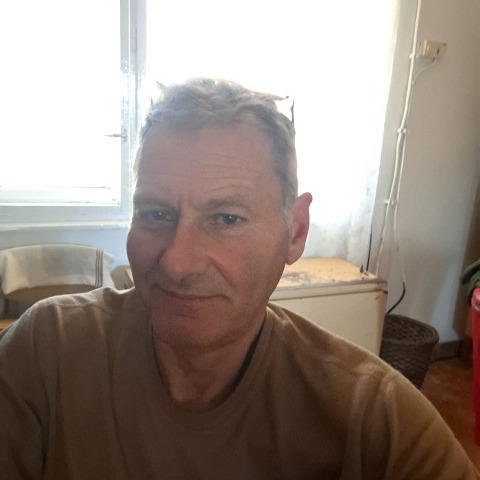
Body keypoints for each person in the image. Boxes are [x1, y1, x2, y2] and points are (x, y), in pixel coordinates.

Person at [0, 78, 477, 479]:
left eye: (226, 219)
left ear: (296, 231)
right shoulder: (47, 352)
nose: (177, 263)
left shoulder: (375, 423)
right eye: (156, 213)